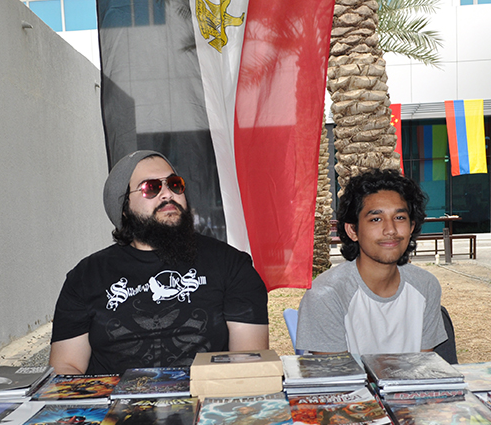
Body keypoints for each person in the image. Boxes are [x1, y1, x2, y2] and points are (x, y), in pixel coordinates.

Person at [49, 150, 269, 374]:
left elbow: (248, 362)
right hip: (115, 397)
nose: (167, 194)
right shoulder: (86, 277)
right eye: (151, 187)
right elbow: (66, 367)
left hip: (206, 394)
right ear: (123, 208)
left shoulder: (230, 264)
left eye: (174, 184)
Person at [296, 169, 447, 354]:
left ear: (411, 227)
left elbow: (423, 366)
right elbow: (335, 372)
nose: (390, 230)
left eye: (400, 217)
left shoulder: (426, 286)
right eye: (376, 219)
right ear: (353, 231)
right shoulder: (326, 295)